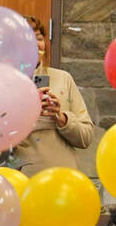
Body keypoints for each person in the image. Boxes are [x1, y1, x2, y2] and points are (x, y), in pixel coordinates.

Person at [7, 15, 96, 177]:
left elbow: (86, 138)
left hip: (63, 178)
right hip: (19, 180)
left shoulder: (63, 79)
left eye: (38, 38)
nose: (33, 44)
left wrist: (60, 117)